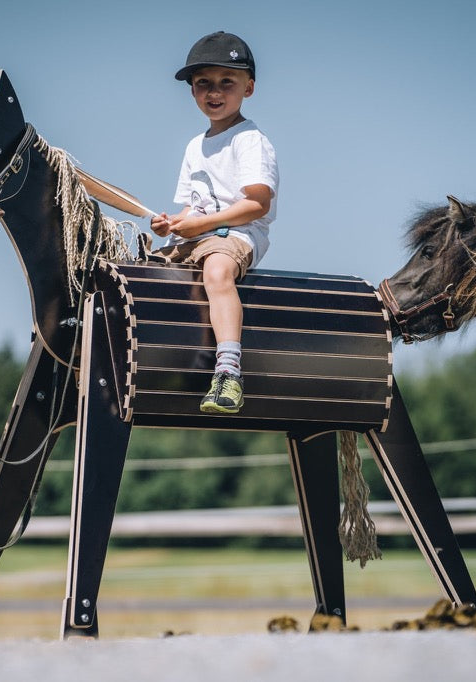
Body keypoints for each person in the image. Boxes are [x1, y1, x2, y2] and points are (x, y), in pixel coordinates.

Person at [151, 31, 279, 414]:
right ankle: (163, 362)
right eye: (203, 83)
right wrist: (174, 223)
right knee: (145, 270)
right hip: (203, 234)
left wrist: (201, 227)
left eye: (227, 82)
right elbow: (196, 207)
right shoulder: (195, 146)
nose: (214, 91)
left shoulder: (250, 140)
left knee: (217, 272)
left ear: (249, 88)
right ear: (192, 91)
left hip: (239, 235)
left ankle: (228, 371)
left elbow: (256, 204)